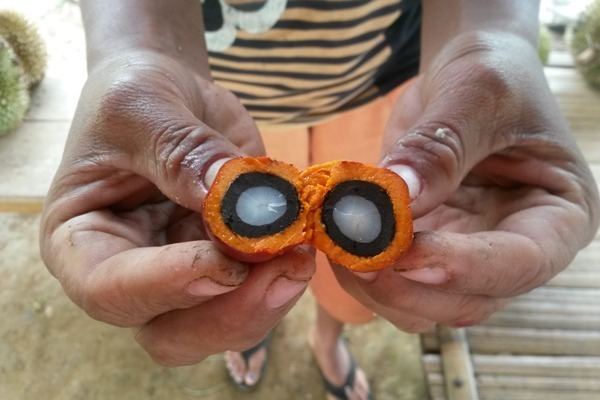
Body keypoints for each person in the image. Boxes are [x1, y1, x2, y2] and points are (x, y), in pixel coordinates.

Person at [39, 1, 600, 399]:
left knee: (367, 279)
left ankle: (329, 334)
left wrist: (494, 43)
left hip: (402, 93)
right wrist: (133, 55)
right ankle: (263, 327)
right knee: (254, 275)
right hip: (211, 103)